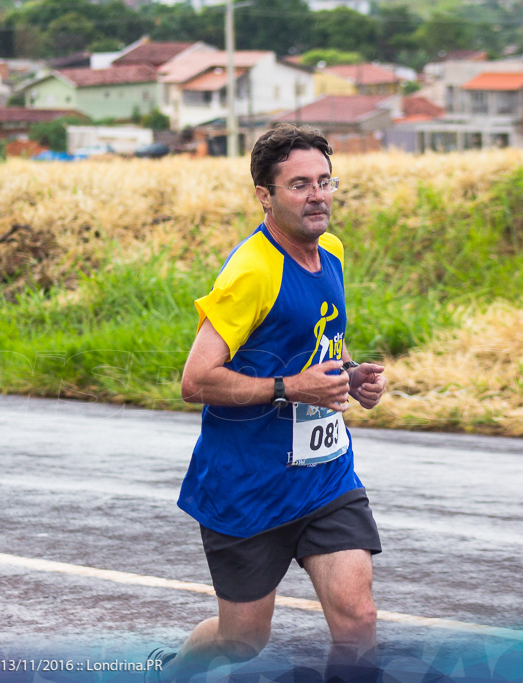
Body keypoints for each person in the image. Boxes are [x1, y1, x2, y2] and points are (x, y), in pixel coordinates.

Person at [152, 124, 388, 680]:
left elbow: (321, 338)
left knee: (358, 619)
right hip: (247, 486)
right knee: (241, 641)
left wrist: (350, 375)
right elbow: (196, 381)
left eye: (325, 182)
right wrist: (292, 388)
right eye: (300, 184)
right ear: (266, 195)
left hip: (324, 476)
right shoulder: (251, 273)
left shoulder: (329, 250)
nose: (318, 195)